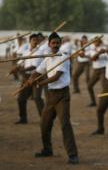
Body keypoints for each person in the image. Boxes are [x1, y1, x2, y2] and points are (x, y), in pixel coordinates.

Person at [26, 32, 79, 164]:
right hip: (51, 96)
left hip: (62, 95)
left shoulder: (64, 57)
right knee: (44, 123)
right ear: (49, 44)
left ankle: (73, 155)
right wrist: (31, 78)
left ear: (60, 43)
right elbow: (38, 71)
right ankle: (47, 149)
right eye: (53, 43)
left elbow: (56, 76)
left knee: (65, 124)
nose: (55, 45)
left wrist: (39, 83)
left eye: (57, 43)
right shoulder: (48, 58)